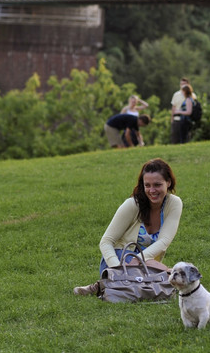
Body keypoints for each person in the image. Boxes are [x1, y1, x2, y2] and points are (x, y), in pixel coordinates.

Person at [73, 158, 183, 296]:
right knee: (167, 274)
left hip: (145, 263)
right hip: (119, 259)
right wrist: (119, 268)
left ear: (168, 182)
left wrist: (138, 260)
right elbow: (106, 241)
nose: (152, 190)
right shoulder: (132, 204)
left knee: (166, 274)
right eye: (147, 185)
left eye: (157, 185)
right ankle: (105, 283)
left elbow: (164, 241)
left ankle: (99, 286)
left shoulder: (174, 203)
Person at [169, 77, 194, 144]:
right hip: (176, 119)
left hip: (186, 120)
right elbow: (173, 107)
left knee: (185, 139)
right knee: (175, 139)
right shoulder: (176, 94)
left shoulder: (192, 96)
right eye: (181, 84)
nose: (182, 85)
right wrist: (172, 119)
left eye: (184, 84)